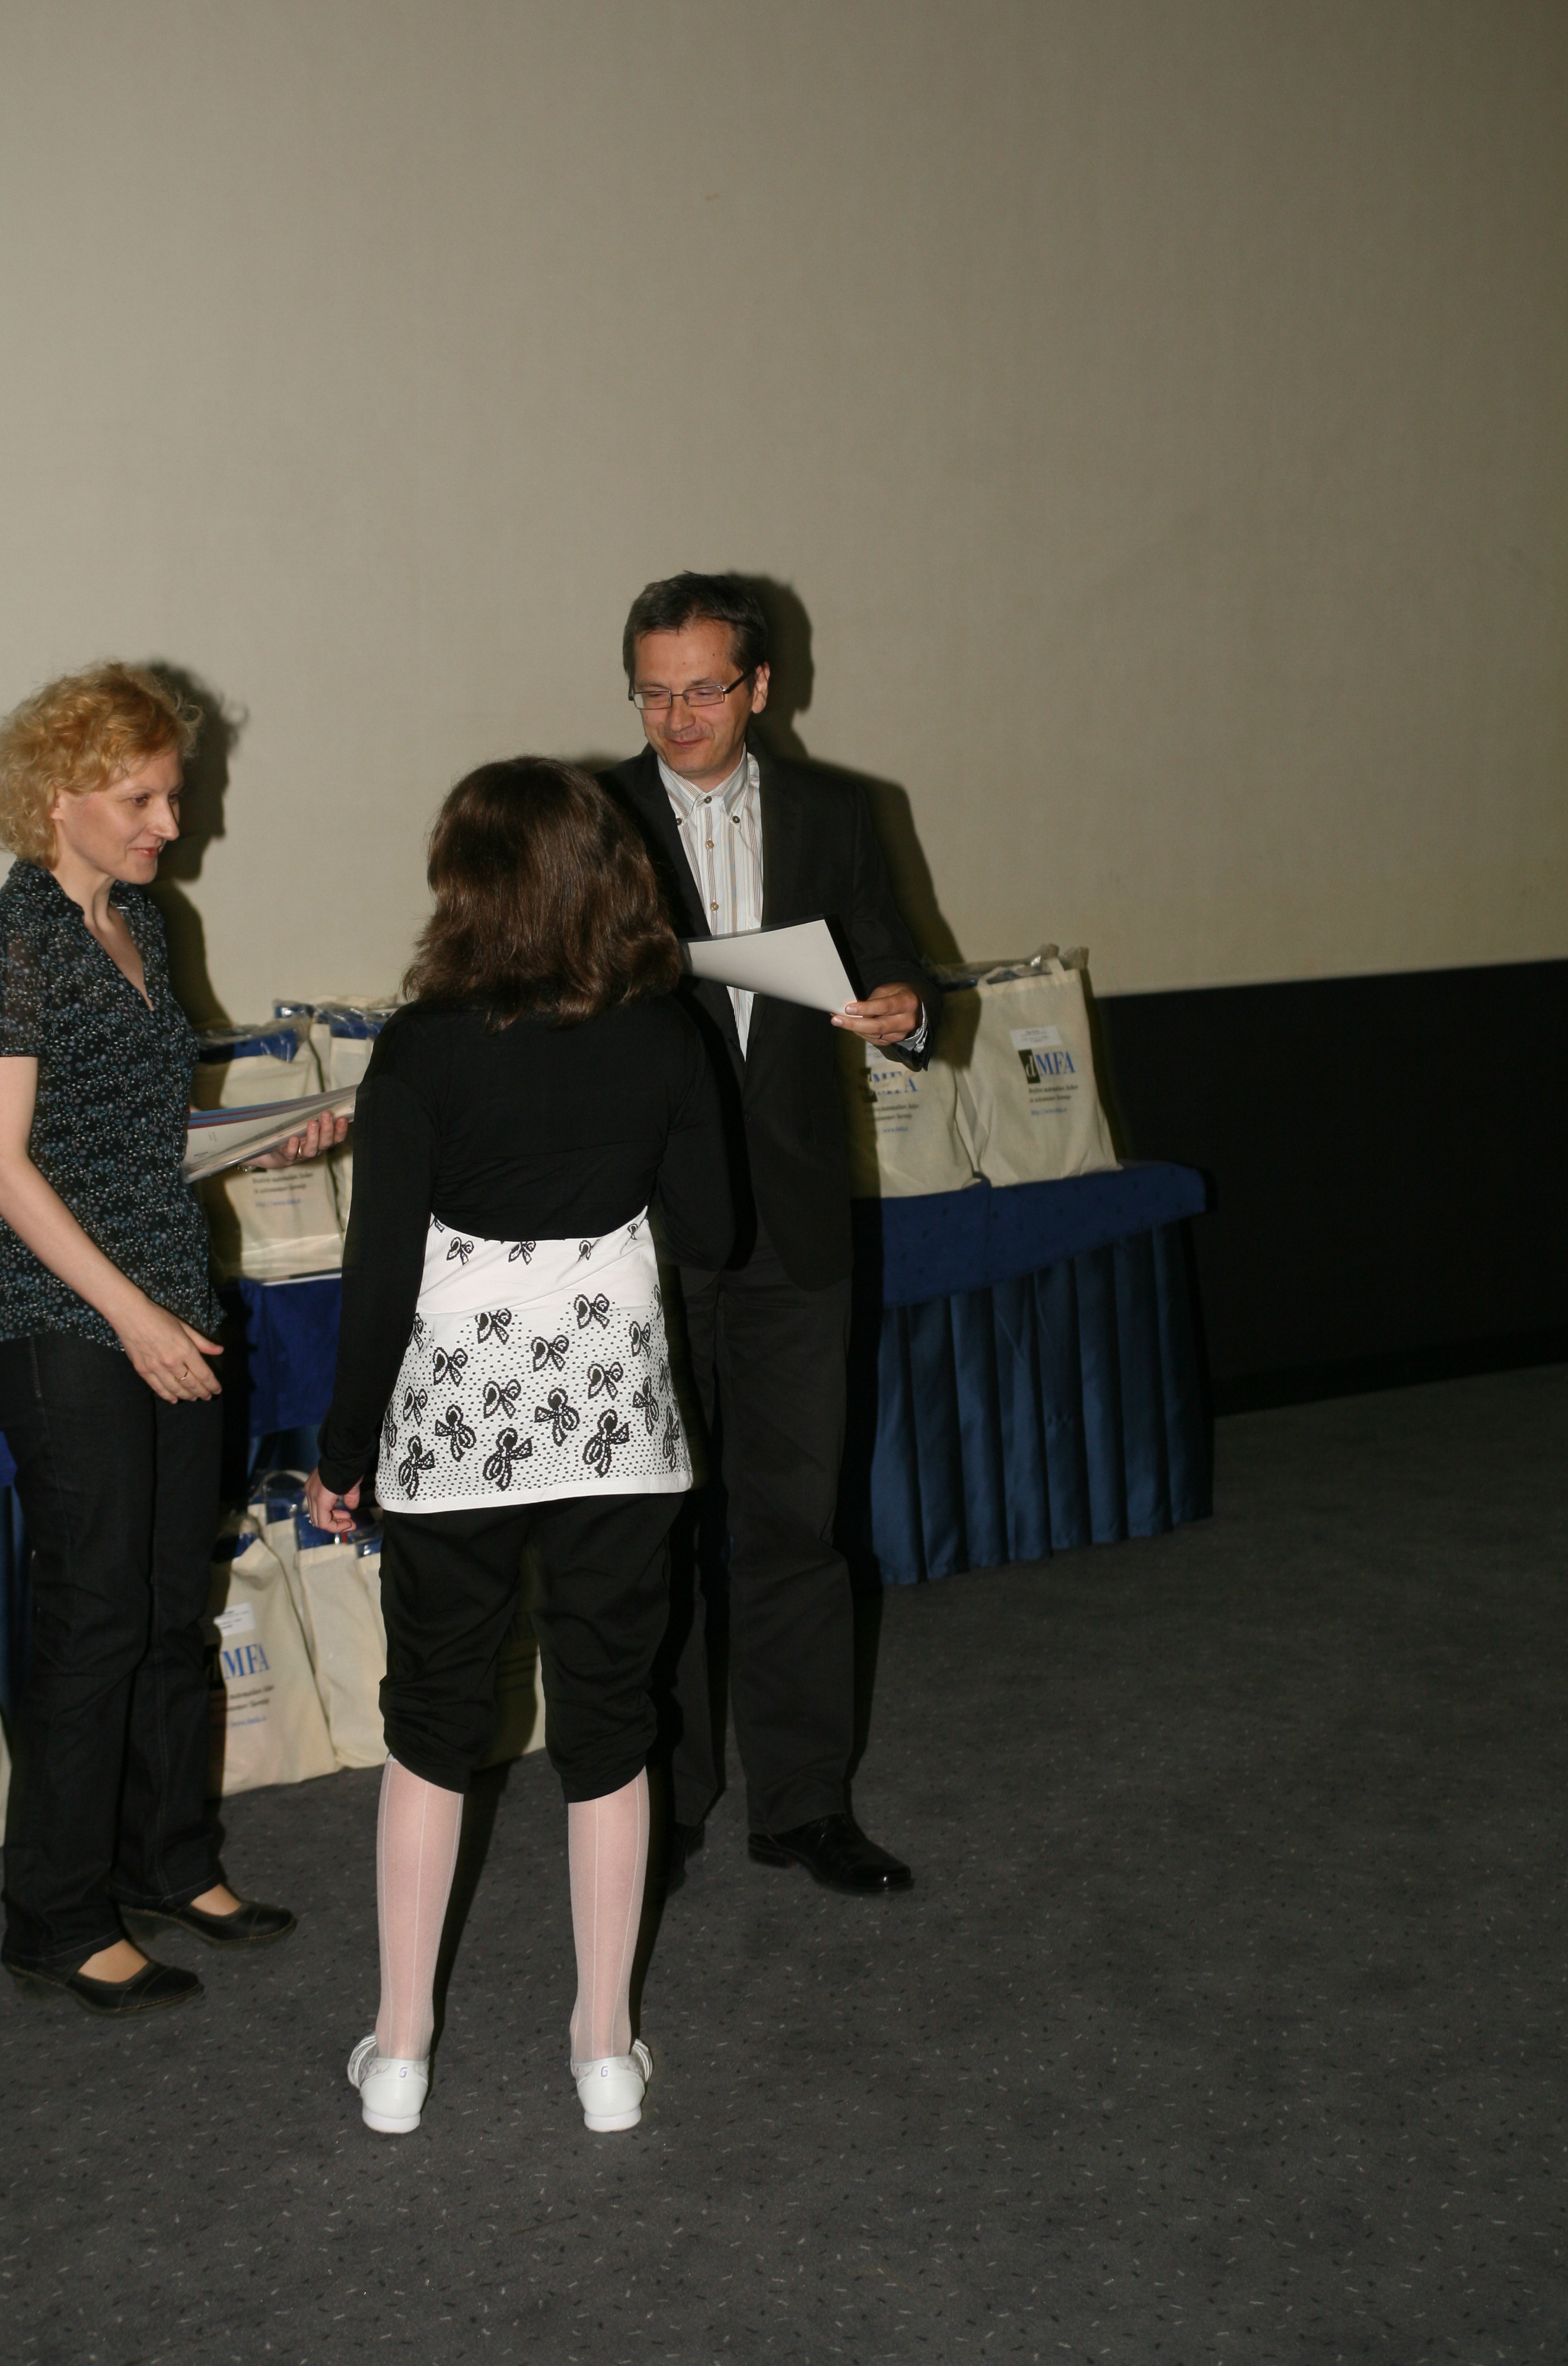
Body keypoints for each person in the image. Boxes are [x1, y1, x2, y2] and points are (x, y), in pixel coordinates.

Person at [304, 757, 733, 2138]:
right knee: (610, 1716)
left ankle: (401, 2054)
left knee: (434, 1716)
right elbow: (715, 1233)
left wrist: (341, 1452)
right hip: (613, 1418)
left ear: (469, 888)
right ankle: (604, 2054)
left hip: (457, 1423)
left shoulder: (423, 1047)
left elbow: (379, 1278)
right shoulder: (667, 1032)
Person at [0, 663, 343, 2017]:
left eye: (174, 795)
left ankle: (169, 1862)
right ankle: (55, 1919)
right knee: (96, 1619)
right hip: (70, 1327)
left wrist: (261, 1140)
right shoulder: (7, 945)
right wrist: (132, 1317)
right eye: (143, 799)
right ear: (56, 796)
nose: (173, 823)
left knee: (175, 1608)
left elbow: (135, 1140)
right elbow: (4, 1166)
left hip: (173, 1302)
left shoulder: (144, 925)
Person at [605, 572, 935, 1897]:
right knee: (660, 1532)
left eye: (703, 689)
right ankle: (666, 1802)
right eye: (653, 692)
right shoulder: (593, 815)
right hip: (644, 1226)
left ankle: (804, 1807)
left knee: (798, 1527)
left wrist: (904, 1008)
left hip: (795, 1226)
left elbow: (899, 966)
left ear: (759, 688)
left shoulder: (837, 812)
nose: (677, 716)